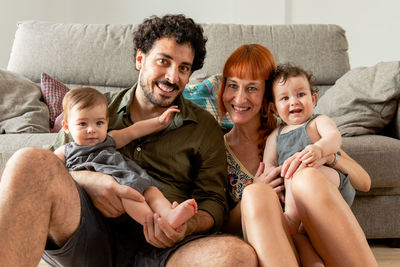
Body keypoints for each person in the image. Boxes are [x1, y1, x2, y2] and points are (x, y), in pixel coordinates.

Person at [0, 14, 258, 267]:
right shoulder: (95, 111)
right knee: (28, 159)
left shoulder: (203, 127)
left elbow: (214, 201)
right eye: (163, 61)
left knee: (237, 255)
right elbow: (49, 166)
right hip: (86, 234)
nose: (172, 77)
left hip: (163, 249)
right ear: (139, 59)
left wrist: (184, 226)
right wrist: (89, 180)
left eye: (183, 68)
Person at [218, 44, 378, 266]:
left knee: (306, 177)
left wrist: (328, 156)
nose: (240, 97)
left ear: (265, 97)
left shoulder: (306, 129)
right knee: (256, 194)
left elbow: (364, 181)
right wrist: (254, 188)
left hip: (317, 224)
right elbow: (216, 224)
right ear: (275, 104)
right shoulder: (216, 147)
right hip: (280, 239)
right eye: (233, 85)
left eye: (252, 88)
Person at [54, 86, 197, 229]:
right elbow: (51, 171)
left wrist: (159, 122)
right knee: (130, 196)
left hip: (130, 176)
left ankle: (169, 215)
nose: (91, 130)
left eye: (99, 123)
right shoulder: (66, 151)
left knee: (152, 191)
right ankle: (154, 224)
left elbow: (134, 131)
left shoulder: (110, 139)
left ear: (107, 122)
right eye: (82, 124)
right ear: (66, 127)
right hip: (112, 191)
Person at [263, 63, 355, 235]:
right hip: (297, 194)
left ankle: (290, 217)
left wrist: (319, 149)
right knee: (309, 234)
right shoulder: (275, 135)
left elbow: (334, 138)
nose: (294, 101)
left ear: (313, 100)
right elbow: (269, 163)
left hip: (331, 182)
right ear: (274, 109)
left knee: (299, 170)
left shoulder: (318, 122)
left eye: (301, 94)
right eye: (285, 98)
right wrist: (273, 184)